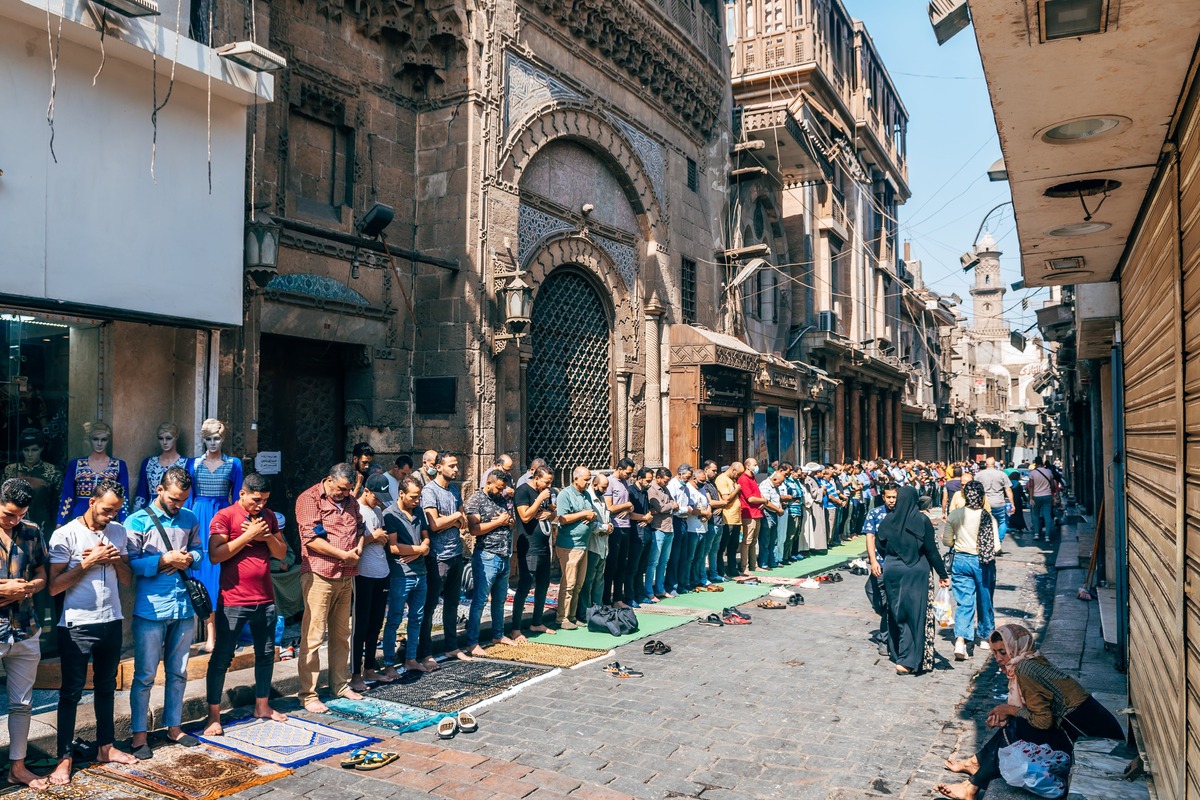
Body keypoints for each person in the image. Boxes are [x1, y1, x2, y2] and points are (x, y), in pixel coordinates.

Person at [936, 623, 1125, 799]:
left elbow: (1043, 721)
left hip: (1092, 739)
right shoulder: (1030, 659)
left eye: (1003, 652)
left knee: (1016, 728)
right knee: (1016, 723)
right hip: (1085, 732)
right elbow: (1036, 711)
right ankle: (976, 763)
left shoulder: (1025, 668)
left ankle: (972, 786)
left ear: (1016, 648)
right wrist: (1009, 712)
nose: (999, 659)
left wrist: (1009, 710)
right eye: (995, 653)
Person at [46, 479, 137, 786]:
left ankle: (106, 747)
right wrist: (88, 563)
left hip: (111, 619)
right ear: (92, 502)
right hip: (76, 623)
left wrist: (113, 560)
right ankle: (64, 758)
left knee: (106, 686)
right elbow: (54, 586)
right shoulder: (65, 534)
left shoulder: (119, 532)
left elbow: (126, 579)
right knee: (71, 692)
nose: (110, 516)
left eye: (116, 511)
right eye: (106, 510)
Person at [203, 472, 289, 734]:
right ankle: (214, 716)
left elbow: (282, 553)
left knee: (265, 653)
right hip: (233, 599)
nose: (259, 505)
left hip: (265, 598)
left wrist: (266, 538)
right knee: (222, 657)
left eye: (264, 500)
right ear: (242, 494)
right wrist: (247, 536)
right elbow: (215, 555)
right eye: (255, 500)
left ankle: (262, 705)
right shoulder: (225, 516)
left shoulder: (270, 517)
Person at [125, 466, 202, 758]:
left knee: (179, 671)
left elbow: (199, 551)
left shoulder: (190, 518)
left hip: (183, 604)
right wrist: (162, 560)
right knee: (144, 674)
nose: (178, 504)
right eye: (173, 499)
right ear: (159, 490)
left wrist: (190, 557)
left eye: (182, 499)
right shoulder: (136, 520)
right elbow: (129, 564)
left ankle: (174, 726)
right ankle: (139, 735)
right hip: (150, 607)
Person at [295, 463, 364, 713]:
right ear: (329, 480)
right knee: (313, 636)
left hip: (346, 576)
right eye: (341, 489)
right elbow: (311, 539)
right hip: (319, 574)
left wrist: (359, 547)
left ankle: (341, 685)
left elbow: (361, 526)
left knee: (341, 635)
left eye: (348, 490)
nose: (345, 494)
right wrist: (343, 555)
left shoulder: (351, 500)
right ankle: (308, 694)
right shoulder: (309, 499)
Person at [0, 478, 51, 787]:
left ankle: (17, 767)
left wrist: (29, 587)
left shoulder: (32, 531)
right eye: (8, 514)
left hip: (25, 628)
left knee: (22, 703)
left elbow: (44, 572)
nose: (14, 520)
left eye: (20, 514)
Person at [877, 485, 949, 675]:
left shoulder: (888, 520)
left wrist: (894, 558)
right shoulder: (921, 520)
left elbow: (880, 545)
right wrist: (942, 574)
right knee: (914, 615)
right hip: (916, 571)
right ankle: (907, 660)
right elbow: (931, 551)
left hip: (892, 570)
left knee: (896, 611)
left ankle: (898, 651)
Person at [185, 418, 243, 652]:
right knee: (202, 577)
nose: (212, 443)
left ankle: (226, 634)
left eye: (216, 438)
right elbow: (188, 498)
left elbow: (239, 496)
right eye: (208, 439)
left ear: (223, 438)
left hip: (223, 516)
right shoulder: (194, 463)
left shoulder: (234, 463)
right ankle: (209, 637)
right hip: (199, 516)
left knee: (223, 577)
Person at [417, 452, 468, 665]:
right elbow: (434, 524)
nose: (456, 470)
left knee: (452, 604)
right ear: (439, 467)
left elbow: (464, 521)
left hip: (455, 553)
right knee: (430, 606)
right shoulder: (429, 491)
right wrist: (455, 518)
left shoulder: (454, 490)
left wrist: (456, 519)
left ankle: (451, 647)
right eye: (452, 466)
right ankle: (425, 652)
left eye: (457, 466)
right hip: (438, 557)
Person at [350, 474, 395, 692]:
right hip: (364, 574)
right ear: (366, 491)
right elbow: (351, 543)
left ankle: (369, 667)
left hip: (381, 571)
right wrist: (372, 537)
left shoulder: (377, 510)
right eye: (376, 497)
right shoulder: (356, 510)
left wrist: (379, 537)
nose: (379, 502)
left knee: (376, 623)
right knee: (361, 625)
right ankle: (355, 674)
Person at [464, 470, 517, 655]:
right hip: (487, 555)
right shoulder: (476, 500)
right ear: (488, 483)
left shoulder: (501, 498)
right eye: (498, 487)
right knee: (480, 600)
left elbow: (510, 520)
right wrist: (498, 523)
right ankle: (472, 642)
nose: (501, 490)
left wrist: (508, 521)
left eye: (503, 488)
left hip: (504, 554)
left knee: (500, 599)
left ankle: (498, 634)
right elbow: (474, 530)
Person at [380, 477, 430, 674]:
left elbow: (427, 538)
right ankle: (389, 663)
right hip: (401, 575)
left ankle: (411, 658)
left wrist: (417, 550)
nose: (417, 501)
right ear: (401, 494)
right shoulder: (390, 515)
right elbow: (393, 547)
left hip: (420, 572)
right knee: (394, 619)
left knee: (417, 618)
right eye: (413, 497)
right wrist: (419, 550)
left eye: (419, 496)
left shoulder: (418, 510)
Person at [943, 481, 997, 662]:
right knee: (985, 598)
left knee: (964, 602)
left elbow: (947, 542)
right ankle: (985, 637)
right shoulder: (987, 517)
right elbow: (995, 546)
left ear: (965, 496)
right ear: (982, 497)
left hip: (960, 561)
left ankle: (960, 640)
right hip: (982, 562)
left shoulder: (955, 515)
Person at [58, 420, 130, 527]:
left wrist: (124, 521)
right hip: (80, 513)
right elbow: (67, 496)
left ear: (108, 440)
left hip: (108, 514)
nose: (99, 443)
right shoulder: (76, 464)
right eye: (95, 439)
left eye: (103, 439)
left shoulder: (119, 465)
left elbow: (123, 497)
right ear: (89, 440)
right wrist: (60, 521)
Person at [511, 466, 555, 636]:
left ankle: (537, 622)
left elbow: (553, 510)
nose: (548, 486)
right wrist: (539, 500)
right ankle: (515, 628)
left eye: (550, 482)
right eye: (546, 482)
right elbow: (525, 516)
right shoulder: (523, 491)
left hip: (544, 545)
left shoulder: (545, 492)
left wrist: (550, 513)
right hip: (529, 547)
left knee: (543, 585)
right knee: (525, 586)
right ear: (536, 477)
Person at [554, 467, 596, 629]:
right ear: (576, 478)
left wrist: (589, 515)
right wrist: (583, 514)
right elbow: (563, 518)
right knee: (569, 583)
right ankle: (562, 618)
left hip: (583, 544)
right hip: (569, 546)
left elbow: (591, 513)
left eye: (589, 479)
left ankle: (572, 615)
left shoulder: (586, 495)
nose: (588, 483)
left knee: (579, 583)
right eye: (586, 479)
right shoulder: (565, 494)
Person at [5, 428, 62, 536]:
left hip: (43, 522)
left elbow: (58, 502)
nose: (30, 454)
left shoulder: (52, 471)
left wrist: (58, 525)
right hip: (14, 521)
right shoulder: (10, 470)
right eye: (26, 450)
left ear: (42, 449)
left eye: (34, 450)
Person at [863, 484, 898, 655]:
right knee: (872, 592)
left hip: (894, 564)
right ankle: (888, 620)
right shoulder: (875, 513)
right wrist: (873, 561)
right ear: (883, 497)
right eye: (889, 497)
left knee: (890, 603)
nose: (892, 500)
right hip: (879, 563)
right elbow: (870, 537)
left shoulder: (902, 513)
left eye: (894, 497)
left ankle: (885, 639)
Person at [134, 423, 188, 512]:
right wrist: (135, 514)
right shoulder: (149, 463)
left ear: (176, 437)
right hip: (152, 509)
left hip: (175, 509)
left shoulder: (186, 463)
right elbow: (141, 492)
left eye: (168, 438)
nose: (165, 442)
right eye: (161, 438)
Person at [603, 458, 636, 607]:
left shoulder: (625, 482)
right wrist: (627, 505)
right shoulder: (609, 482)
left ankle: (617, 598)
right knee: (612, 565)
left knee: (622, 564)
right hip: (614, 526)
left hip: (626, 525)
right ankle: (606, 598)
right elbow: (609, 507)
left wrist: (628, 508)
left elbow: (628, 507)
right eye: (628, 473)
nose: (629, 476)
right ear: (620, 469)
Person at [580, 474, 613, 614]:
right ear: (595, 485)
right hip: (593, 545)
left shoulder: (602, 499)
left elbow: (607, 517)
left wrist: (609, 526)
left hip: (603, 545)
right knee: (588, 581)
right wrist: (605, 528)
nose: (605, 490)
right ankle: (586, 611)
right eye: (603, 487)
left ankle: (597, 609)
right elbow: (590, 523)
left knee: (599, 580)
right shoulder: (589, 499)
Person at [645, 468, 676, 600]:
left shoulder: (665, 490)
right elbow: (661, 508)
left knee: (664, 561)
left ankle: (660, 589)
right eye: (665, 481)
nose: (666, 483)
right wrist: (670, 505)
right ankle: (649, 591)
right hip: (658, 529)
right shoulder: (652, 490)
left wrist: (668, 505)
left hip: (669, 528)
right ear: (658, 478)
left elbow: (673, 503)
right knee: (653, 562)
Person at [625, 467, 654, 604]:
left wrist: (648, 517)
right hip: (636, 533)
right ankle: (630, 596)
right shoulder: (630, 492)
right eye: (648, 481)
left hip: (647, 531)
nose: (650, 484)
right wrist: (644, 518)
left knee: (642, 567)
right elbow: (628, 513)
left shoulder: (645, 492)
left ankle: (640, 594)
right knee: (632, 567)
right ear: (639, 479)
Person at [699, 461, 730, 583]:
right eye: (713, 470)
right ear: (706, 470)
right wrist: (723, 503)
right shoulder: (703, 484)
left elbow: (721, 500)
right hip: (711, 522)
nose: (715, 473)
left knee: (714, 551)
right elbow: (710, 502)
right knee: (706, 551)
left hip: (719, 521)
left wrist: (722, 505)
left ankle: (714, 574)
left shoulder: (713, 483)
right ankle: (703, 576)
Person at [975, 457, 1013, 553]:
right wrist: (1012, 503)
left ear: (986, 464)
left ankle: (986, 544)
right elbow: (1008, 489)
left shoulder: (979, 475)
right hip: (999, 502)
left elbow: (975, 489)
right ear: (994, 465)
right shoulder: (1001, 474)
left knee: (984, 524)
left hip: (984, 503)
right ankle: (998, 543)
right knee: (1003, 522)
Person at [713, 462, 744, 579]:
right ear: (733, 470)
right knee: (723, 547)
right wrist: (736, 490)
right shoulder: (722, 479)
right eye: (738, 474)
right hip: (727, 518)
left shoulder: (733, 481)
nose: (738, 477)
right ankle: (721, 571)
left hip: (736, 519)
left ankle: (733, 569)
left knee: (733, 547)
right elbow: (726, 498)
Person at [737, 459, 765, 577]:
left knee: (754, 541)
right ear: (748, 466)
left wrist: (763, 500)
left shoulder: (753, 478)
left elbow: (757, 494)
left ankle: (754, 565)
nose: (757, 466)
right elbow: (750, 498)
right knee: (747, 541)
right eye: (755, 465)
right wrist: (764, 500)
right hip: (748, 514)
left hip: (757, 512)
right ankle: (745, 567)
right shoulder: (743, 479)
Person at [757, 469, 784, 570]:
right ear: (774, 478)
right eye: (779, 482)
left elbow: (778, 498)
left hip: (774, 513)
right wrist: (778, 509)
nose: (780, 484)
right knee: (765, 540)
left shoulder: (775, 486)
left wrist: (779, 508)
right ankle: (763, 562)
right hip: (767, 514)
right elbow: (766, 502)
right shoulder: (765, 485)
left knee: (774, 539)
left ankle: (772, 561)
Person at [1027, 460, 1057, 542]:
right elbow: (1052, 485)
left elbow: (1031, 486)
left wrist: (1031, 498)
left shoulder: (1032, 473)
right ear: (1043, 464)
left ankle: (1036, 534)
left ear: (1036, 464)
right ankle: (1047, 536)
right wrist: (1053, 495)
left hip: (1036, 496)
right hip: (1047, 495)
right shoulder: (1049, 472)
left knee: (1035, 514)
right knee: (1047, 515)